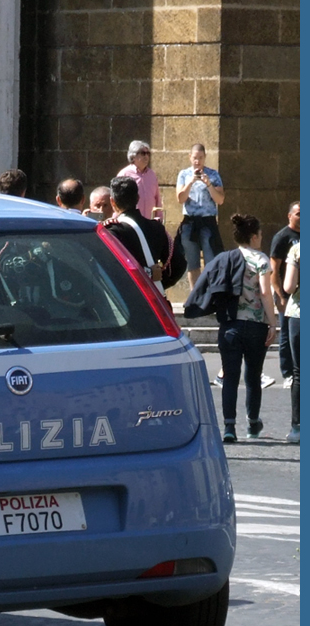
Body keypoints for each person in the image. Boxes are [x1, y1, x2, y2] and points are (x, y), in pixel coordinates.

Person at [214, 215, 277, 443]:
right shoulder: (261, 259)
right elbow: (265, 292)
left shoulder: (226, 258)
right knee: (253, 376)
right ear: (253, 236)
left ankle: (229, 426)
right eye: (260, 235)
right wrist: (272, 322)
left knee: (230, 377)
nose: (261, 239)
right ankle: (252, 422)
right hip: (255, 324)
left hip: (230, 324)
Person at [103, 176, 185, 292]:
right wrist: (157, 283)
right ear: (138, 198)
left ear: (112, 201)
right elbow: (178, 265)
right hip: (152, 300)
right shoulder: (156, 227)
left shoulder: (111, 231)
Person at [176, 143, 225, 287]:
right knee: (193, 262)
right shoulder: (184, 174)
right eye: (195, 158)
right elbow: (180, 199)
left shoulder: (213, 174)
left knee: (211, 260)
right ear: (190, 157)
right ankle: (195, 296)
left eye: (201, 158)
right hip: (190, 221)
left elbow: (220, 199)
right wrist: (190, 182)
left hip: (207, 221)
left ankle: (209, 296)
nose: (198, 161)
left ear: (205, 158)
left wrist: (209, 184)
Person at [270, 201, 300, 389]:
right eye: (298, 213)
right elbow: (274, 269)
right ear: (290, 215)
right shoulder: (282, 237)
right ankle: (287, 372)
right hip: (286, 292)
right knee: (287, 335)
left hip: (300, 294)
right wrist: (280, 295)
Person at [117, 140, 163, 222]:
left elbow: (157, 199)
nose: (146, 156)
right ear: (133, 156)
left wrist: (159, 219)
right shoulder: (124, 174)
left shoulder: (152, 175)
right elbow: (117, 200)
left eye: (148, 153)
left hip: (149, 223)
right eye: (143, 153)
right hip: (131, 223)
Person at [282, 239, 300, 443]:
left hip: (299, 313)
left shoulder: (297, 249)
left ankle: (298, 427)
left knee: (299, 372)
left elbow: (289, 286)